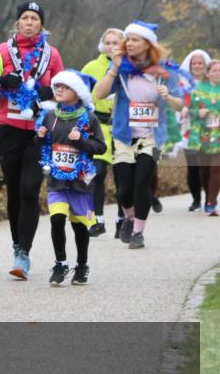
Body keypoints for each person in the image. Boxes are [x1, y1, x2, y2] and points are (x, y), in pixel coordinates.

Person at [92, 20, 184, 249]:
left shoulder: (166, 70)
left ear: (147, 44)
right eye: (128, 39)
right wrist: (113, 69)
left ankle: (138, 232)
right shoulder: (121, 67)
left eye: (134, 39)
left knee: (142, 182)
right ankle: (129, 218)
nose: (128, 43)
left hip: (152, 136)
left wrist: (167, 96)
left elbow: (180, 105)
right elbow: (99, 95)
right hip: (124, 135)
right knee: (124, 188)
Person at [0, 2, 65, 279]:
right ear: (17, 23)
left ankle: (24, 254)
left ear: (41, 25)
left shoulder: (52, 54)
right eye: (24, 17)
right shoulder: (2, 51)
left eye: (34, 18)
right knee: (14, 190)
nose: (29, 22)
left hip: (39, 131)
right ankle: (16, 246)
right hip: (8, 128)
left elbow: (63, 89)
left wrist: (48, 90)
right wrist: (3, 83)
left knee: (29, 189)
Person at [36, 71, 107, 285]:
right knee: (56, 219)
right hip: (57, 181)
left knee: (79, 227)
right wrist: (39, 138)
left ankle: (82, 266)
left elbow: (101, 147)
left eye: (64, 87)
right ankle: (61, 264)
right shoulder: (49, 116)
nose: (58, 90)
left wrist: (81, 141)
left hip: (80, 182)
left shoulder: (89, 118)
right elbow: (42, 148)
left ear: (77, 93)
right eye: (56, 86)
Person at [81, 28, 123, 236]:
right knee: (96, 175)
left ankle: (122, 220)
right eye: (108, 42)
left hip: (121, 127)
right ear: (102, 45)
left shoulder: (128, 66)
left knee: (122, 178)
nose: (112, 47)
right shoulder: (91, 66)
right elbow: (81, 93)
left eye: (116, 43)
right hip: (98, 126)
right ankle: (97, 220)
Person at [179, 49, 212, 211]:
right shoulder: (183, 84)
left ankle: (208, 198)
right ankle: (196, 200)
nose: (197, 66)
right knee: (192, 166)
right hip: (189, 130)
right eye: (194, 63)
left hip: (209, 130)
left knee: (206, 167)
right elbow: (179, 106)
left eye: (200, 63)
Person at [187, 59, 220, 215]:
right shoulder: (198, 90)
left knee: (216, 168)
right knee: (204, 170)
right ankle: (208, 195)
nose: (217, 73)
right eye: (214, 71)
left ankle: (211, 202)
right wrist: (198, 113)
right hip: (202, 133)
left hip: (218, 134)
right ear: (208, 73)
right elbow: (189, 112)